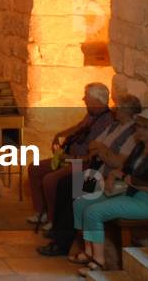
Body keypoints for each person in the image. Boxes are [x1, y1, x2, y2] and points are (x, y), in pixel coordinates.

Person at [72, 108, 148, 276]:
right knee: (81, 202)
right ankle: (89, 251)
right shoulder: (141, 148)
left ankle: (99, 261)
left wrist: (128, 180)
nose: (139, 130)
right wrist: (113, 176)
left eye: (144, 127)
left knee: (94, 212)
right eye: (139, 126)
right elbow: (126, 169)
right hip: (131, 192)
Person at [37, 93, 141, 257]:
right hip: (97, 171)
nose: (115, 110)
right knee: (65, 185)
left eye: (118, 107)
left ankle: (61, 243)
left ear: (127, 111)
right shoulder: (114, 126)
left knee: (73, 191)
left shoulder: (133, 133)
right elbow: (93, 145)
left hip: (109, 179)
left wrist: (102, 150)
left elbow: (118, 162)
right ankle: (59, 231)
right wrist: (103, 150)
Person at [27, 83, 113, 230]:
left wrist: (69, 158)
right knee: (35, 168)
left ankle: (54, 220)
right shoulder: (91, 115)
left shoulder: (107, 122)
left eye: (86, 97)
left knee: (50, 180)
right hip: (69, 157)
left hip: (82, 163)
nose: (83, 99)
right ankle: (41, 212)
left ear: (95, 100)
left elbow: (90, 156)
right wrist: (59, 135)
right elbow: (78, 127)